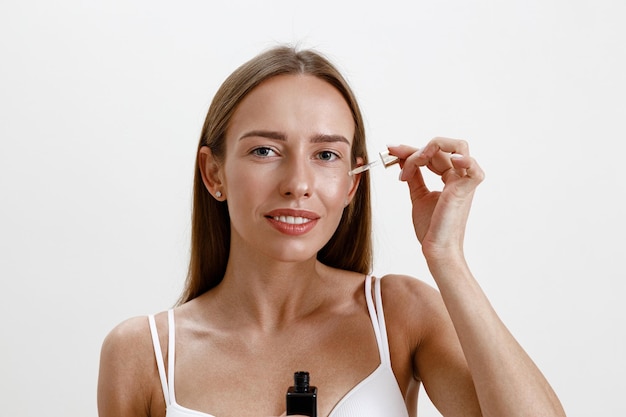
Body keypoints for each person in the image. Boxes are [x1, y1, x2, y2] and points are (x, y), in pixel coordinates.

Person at [97, 45, 566, 417]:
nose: (298, 184)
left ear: (351, 182)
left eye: (326, 155)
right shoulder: (142, 354)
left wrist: (446, 258)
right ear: (213, 173)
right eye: (264, 150)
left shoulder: (401, 316)